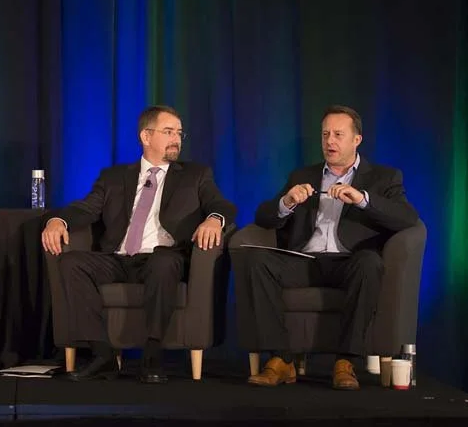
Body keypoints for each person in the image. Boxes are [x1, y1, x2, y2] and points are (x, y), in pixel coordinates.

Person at [41, 105, 236, 383]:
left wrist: (215, 219)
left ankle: (152, 354)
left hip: (164, 257)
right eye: (168, 132)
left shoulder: (195, 175)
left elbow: (221, 205)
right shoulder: (113, 177)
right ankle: (102, 354)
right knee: (72, 262)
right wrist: (57, 220)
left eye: (179, 133)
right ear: (146, 136)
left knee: (163, 261)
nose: (176, 139)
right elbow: (85, 208)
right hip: (119, 258)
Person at [240, 105, 418, 390]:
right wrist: (287, 202)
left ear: (356, 139)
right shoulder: (302, 175)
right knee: (256, 260)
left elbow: (407, 218)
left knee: (370, 263)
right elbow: (263, 218)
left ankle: (345, 362)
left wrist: (362, 199)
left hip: (350, 261)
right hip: (305, 261)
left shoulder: (383, 178)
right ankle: (281, 359)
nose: (329, 141)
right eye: (325, 135)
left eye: (338, 134)